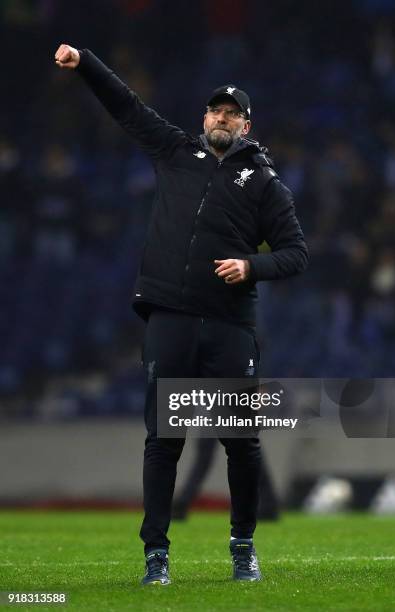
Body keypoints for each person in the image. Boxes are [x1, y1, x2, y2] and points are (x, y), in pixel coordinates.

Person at [54, 43, 309, 585]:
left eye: (233, 112)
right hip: (169, 317)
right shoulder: (175, 152)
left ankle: (243, 546)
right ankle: (156, 558)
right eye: (216, 109)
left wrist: (251, 267)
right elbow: (127, 106)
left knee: (240, 440)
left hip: (229, 325)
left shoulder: (265, 184)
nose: (222, 116)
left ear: (246, 125)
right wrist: (86, 63)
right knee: (163, 442)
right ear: (204, 118)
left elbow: (296, 253)